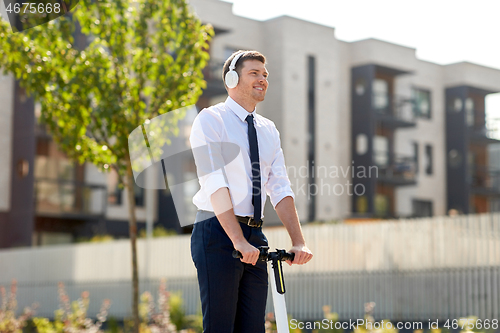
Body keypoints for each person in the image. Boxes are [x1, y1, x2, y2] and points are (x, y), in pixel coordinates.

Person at [189, 50, 313, 333]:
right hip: (217, 232)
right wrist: (237, 240)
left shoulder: (269, 129)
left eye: (265, 75)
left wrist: (299, 242)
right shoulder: (211, 120)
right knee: (220, 327)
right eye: (254, 73)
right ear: (232, 79)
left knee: (253, 327)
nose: (263, 79)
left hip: (255, 236)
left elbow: (279, 186)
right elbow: (214, 183)